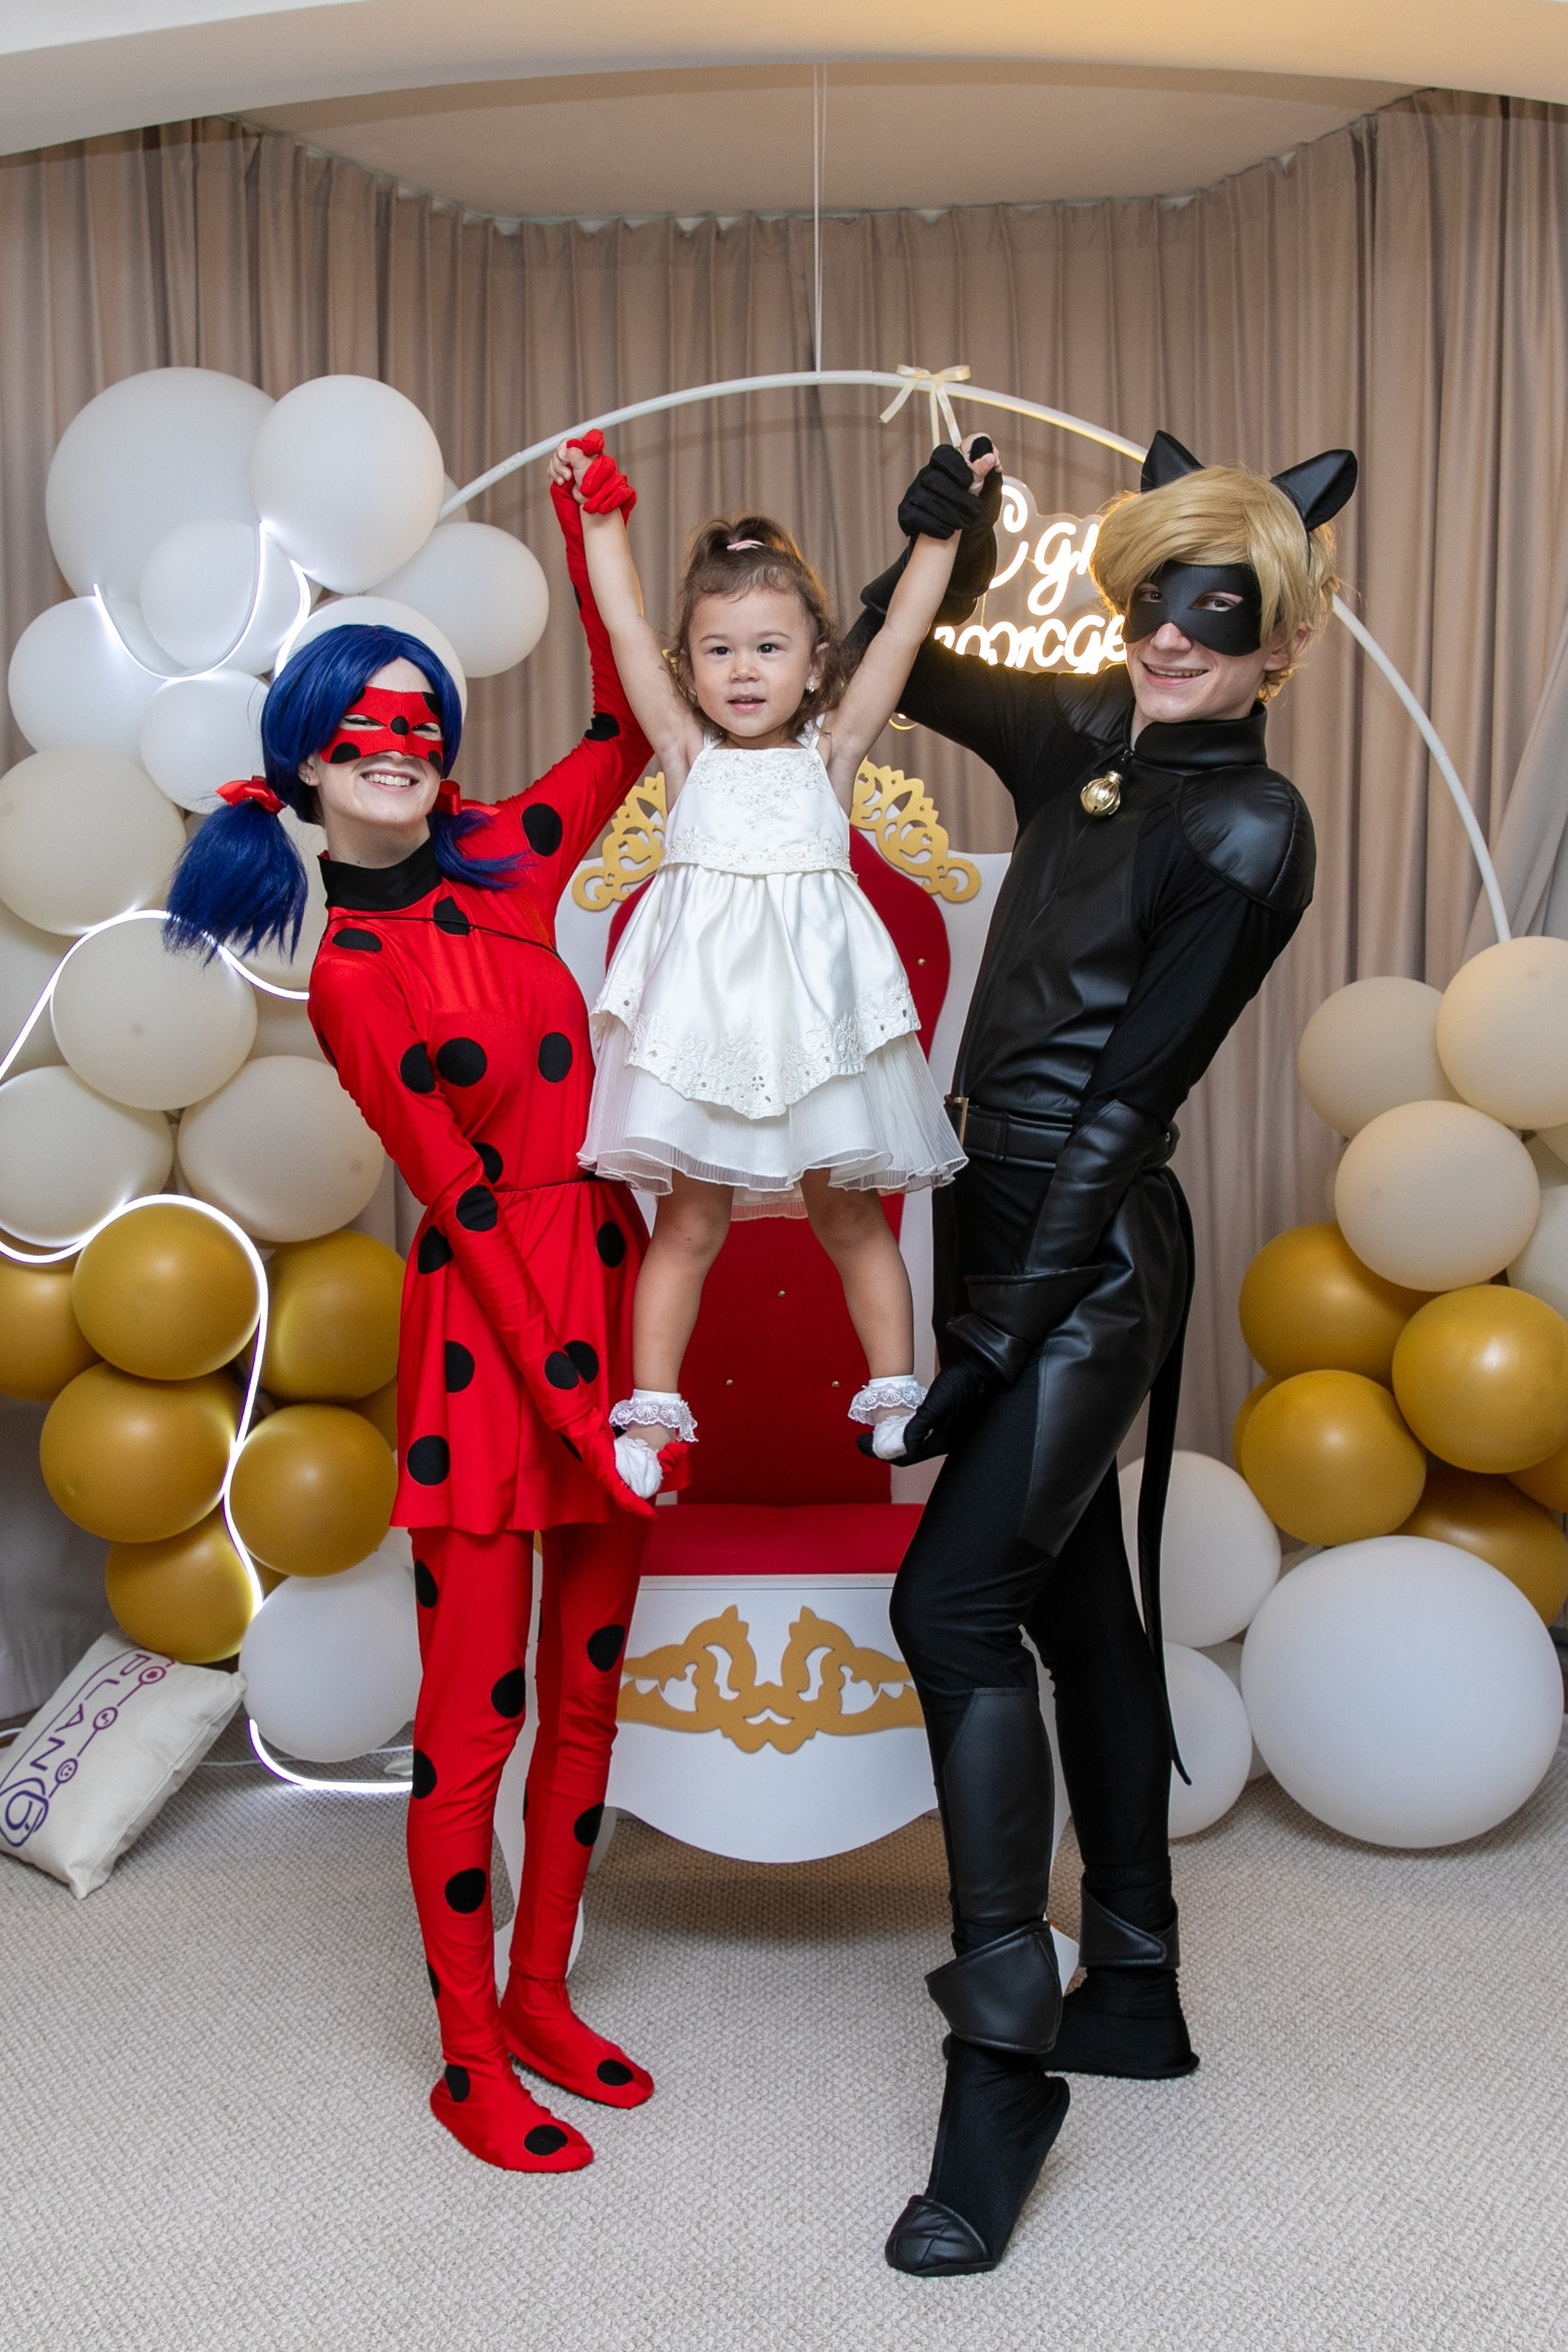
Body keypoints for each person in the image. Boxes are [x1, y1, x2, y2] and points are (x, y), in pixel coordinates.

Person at [847, 429, 1356, 2274]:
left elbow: (1127, 1106)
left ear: (1278, 647)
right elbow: (887, 670)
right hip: (991, 1212)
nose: (1168, 641)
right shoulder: (1085, 738)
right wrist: (943, 551)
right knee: (1075, 1610)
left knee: (949, 1606)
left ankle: (1004, 2060)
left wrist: (1001, 1324)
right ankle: (1129, 1981)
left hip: (1088, 1252)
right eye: (1150, 606)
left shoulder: (1247, 828)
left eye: (1212, 621)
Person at [165, 454, 674, 2176]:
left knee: (589, 1704)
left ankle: (542, 1995)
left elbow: (625, 722)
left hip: (607, 1300)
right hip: (492, 1350)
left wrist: (590, 535)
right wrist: (583, 1402)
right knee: (474, 1729)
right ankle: (468, 2060)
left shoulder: (513, 862)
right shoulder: (357, 973)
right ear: (309, 763)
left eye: (420, 728)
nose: (398, 750)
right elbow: (458, 1202)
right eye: (364, 732)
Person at [559, 437, 989, 1480]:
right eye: (717, 651)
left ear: (815, 665)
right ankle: (652, 1417)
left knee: (850, 1211)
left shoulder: (830, 753)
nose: (744, 670)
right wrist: (601, 524)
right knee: (688, 1221)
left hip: (817, 1031)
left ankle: (896, 1394)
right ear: (688, 669)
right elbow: (622, 627)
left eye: (767, 648)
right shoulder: (686, 755)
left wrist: (943, 535)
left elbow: (903, 634)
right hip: (703, 1032)